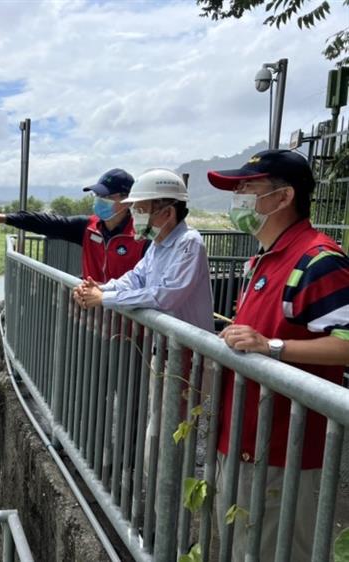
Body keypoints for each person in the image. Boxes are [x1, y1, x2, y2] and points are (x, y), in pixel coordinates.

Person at [207, 148, 349, 561]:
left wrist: (271, 347)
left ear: (284, 197)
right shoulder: (266, 259)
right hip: (242, 442)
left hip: (283, 452)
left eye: (249, 188)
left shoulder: (318, 260)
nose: (240, 198)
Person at [73, 168, 214, 333]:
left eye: (140, 211)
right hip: (165, 345)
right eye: (134, 210)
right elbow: (136, 279)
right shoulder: (157, 243)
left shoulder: (189, 242)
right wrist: (99, 289)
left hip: (192, 351)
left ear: (167, 213)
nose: (135, 217)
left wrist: (104, 298)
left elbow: (164, 296)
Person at [0, 168, 148, 283]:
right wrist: (2, 218)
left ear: (127, 200)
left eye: (107, 197)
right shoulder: (88, 227)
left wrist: (106, 292)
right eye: (97, 196)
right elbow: (46, 222)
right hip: (91, 322)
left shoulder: (143, 236)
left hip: (129, 329)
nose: (100, 201)